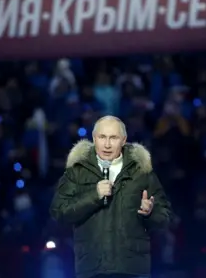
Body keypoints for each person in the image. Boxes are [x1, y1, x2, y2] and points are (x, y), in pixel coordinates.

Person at [50, 115, 172, 278]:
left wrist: (150, 212)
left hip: (132, 269)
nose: (107, 144)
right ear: (94, 139)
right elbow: (59, 212)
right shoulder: (77, 171)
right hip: (93, 269)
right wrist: (95, 196)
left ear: (123, 140)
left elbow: (165, 217)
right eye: (102, 137)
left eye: (113, 138)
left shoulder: (141, 171)